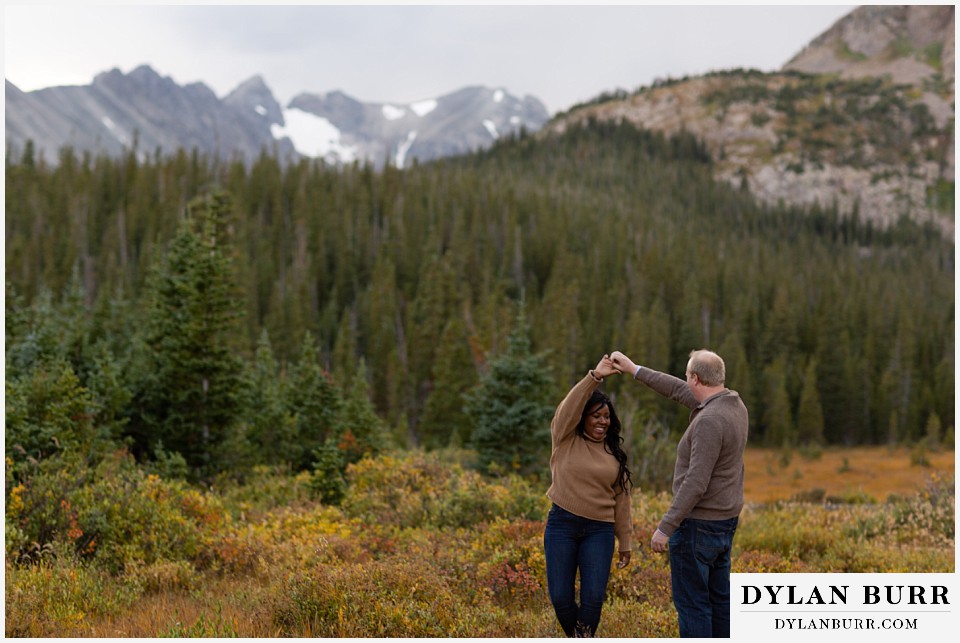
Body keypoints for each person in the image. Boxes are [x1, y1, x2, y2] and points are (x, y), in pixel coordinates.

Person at [611, 349, 748, 638]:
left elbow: (696, 482)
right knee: (719, 601)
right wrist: (634, 369)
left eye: (688, 376)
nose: (685, 382)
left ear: (696, 378)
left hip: (698, 527)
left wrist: (665, 527)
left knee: (694, 606)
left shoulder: (709, 420)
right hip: (723, 523)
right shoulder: (732, 404)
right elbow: (676, 389)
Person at [544, 354, 633, 638]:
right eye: (596, 416)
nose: (603, 422)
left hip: (600, 530)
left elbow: (622, 500)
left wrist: (625, 541)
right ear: (582, 418)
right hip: (562, 525)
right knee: (560, 597)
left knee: (593, 599)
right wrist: (595, 376)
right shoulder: (565, 438)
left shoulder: (614, 455)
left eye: (606, 417)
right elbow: (567, 408)